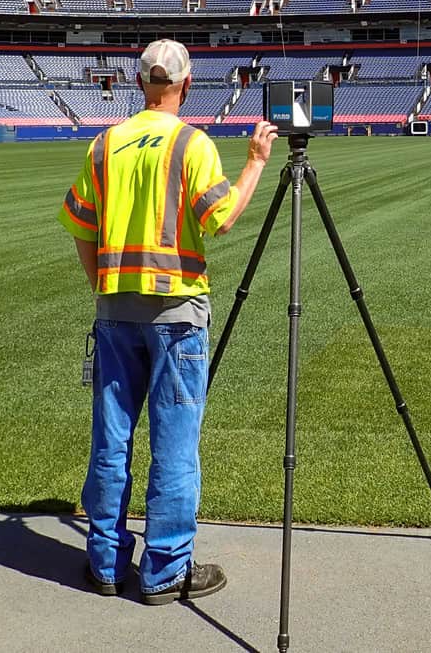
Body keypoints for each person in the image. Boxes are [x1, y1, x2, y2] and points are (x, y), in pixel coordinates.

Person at [58, 38, 278, 605]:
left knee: (111, 442)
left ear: (138, 84)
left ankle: (104, 563)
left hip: (114, 312)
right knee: (175, 446)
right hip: (178, 314)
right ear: (186, 84)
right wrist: (256, 162)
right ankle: (165, 570)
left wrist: (105, 292)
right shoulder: (192, 144)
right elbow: (222, 217)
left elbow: (81, 227)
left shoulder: (104, 145)